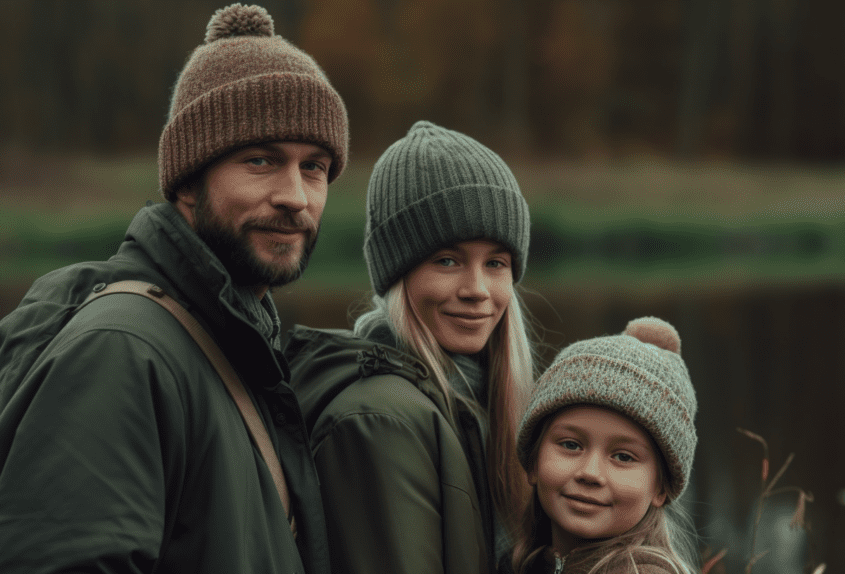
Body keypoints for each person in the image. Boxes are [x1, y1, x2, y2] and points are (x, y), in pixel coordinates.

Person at [0, 4, 347, 573]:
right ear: (188, 183)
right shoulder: (119, 351)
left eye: (314, 166)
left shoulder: (233, 342)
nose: (295, 194)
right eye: (261, 160)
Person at [286, 120, 535, 574]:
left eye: (496, 262)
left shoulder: (477, 402)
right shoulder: (381, 419)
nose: (478, 289)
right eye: (447, 261)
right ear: (398, 276)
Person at [510, 317, 700, 574]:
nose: (590, 473)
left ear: (661, 488)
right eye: (571, 445)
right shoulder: (521, 564)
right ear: (533, 461)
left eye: (623, 457)